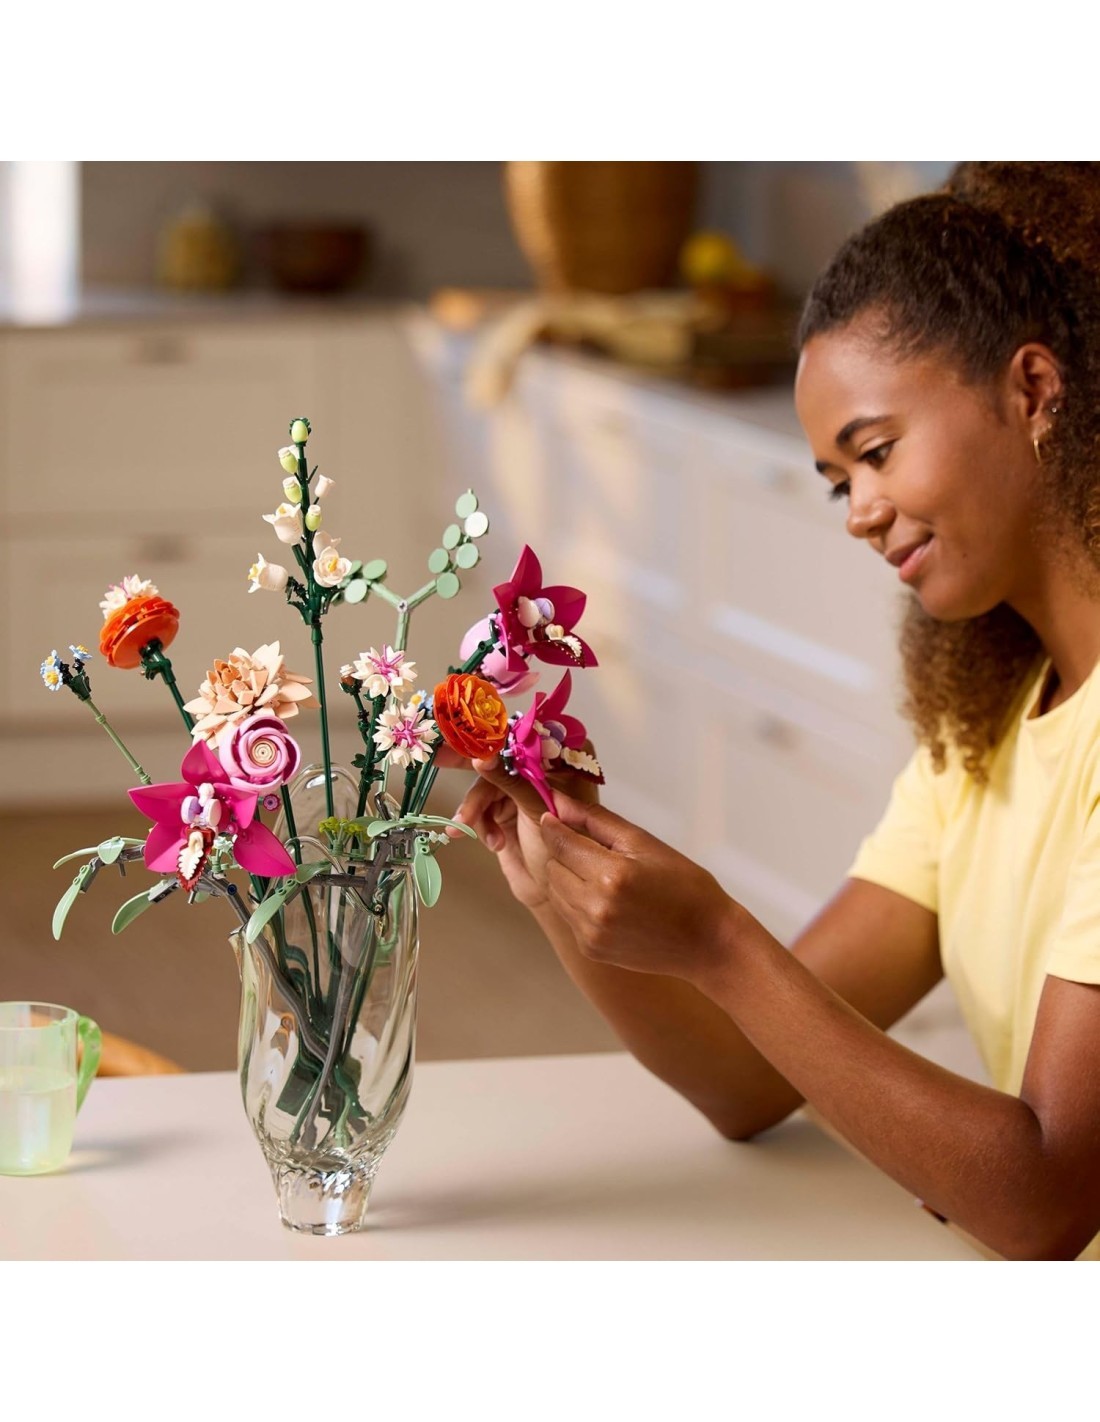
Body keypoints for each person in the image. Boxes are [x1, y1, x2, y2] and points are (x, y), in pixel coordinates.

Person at [451, 163, 1100, 1262]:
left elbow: (1042, 1195)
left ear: (1031, 389)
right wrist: (562, 875)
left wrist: (716, 938)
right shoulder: (986, 723)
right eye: (835, 481)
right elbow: (745, 1077)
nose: (855, 513)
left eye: (874, 453)